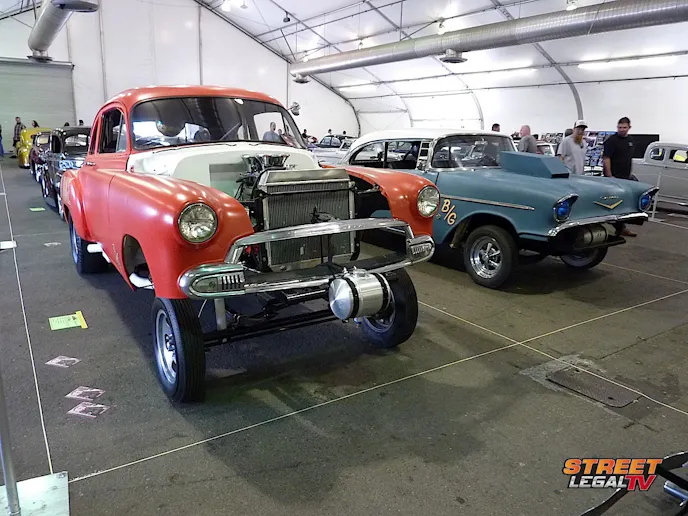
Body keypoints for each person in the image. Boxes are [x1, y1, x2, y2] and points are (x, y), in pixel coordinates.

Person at [603, 117, 637, 237]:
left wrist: (629, 174)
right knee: (613, 203)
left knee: (623, 204)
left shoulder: (631, 141)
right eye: (620, 127)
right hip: (613, 177)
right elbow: (606, 158)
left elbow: (628, 158)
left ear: (629, 128)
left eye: (624, 127)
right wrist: (609, 175)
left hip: (625, 177)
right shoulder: (611, 141)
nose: (622, 129)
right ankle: (618, 227)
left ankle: (621, 227)